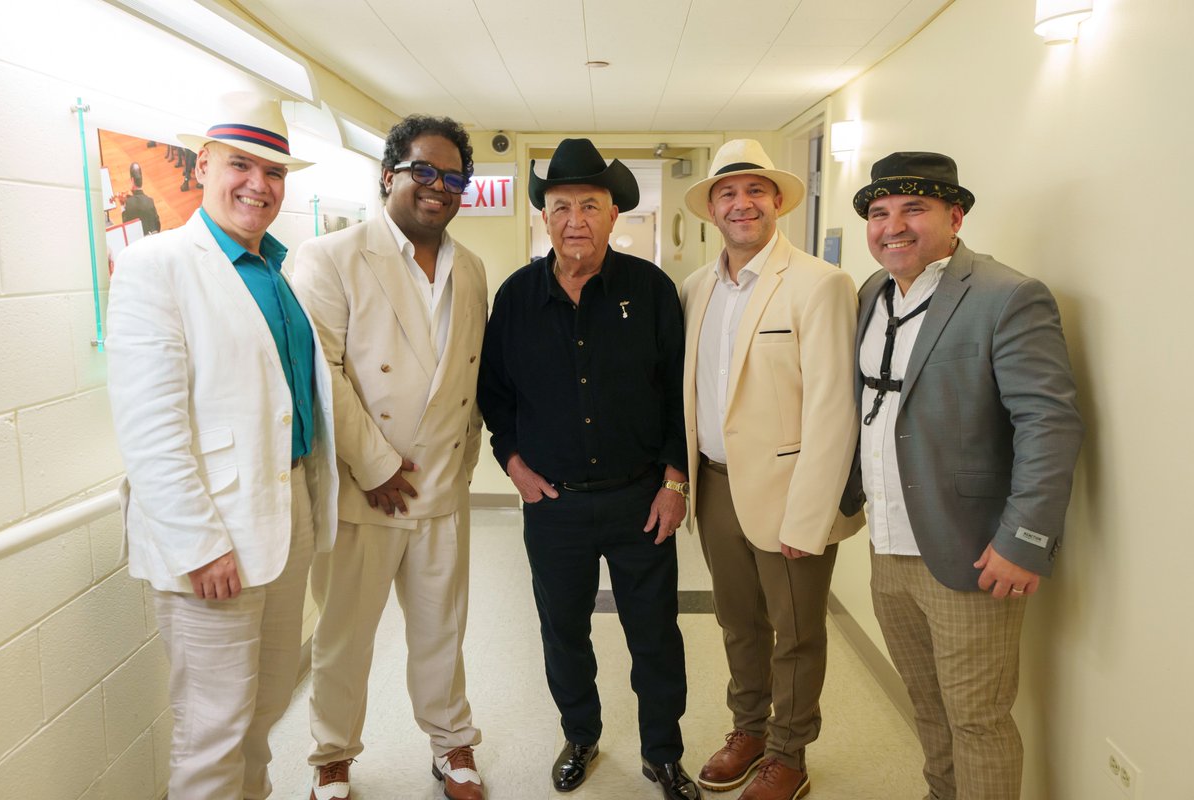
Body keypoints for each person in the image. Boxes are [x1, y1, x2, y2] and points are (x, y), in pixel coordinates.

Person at [106, 92, 338, 800]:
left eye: (274, 172)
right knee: (213, 730)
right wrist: (199, 542)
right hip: (214, 540)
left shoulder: (276, 270)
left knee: (262, 713)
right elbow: (150, 425)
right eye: (242, 164)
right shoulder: (159, 266)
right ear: (203, 165)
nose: (259, 185)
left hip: (284, 514)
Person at [852, 152, 1083, 799]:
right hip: (888, 546)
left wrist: (1023, 541)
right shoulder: (872, 294)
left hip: (971, 552)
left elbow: (1050, 424)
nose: (892, 226)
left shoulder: (1006, 295)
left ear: (954, 217)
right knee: (927, 710)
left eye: (913, 209)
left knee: (977, 721)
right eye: (879, 213)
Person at [477, 138, 699, 800]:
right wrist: (513, 464)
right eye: (562, 205)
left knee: (655, 636)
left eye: (591, 206)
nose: (576, 219)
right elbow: (495, 395)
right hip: (555, 507)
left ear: (613, 214)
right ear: (544, 216)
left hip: (641, 502)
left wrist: (675, 481)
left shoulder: (652, 291)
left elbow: (679, 395)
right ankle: (581, 734)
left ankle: (663, 752)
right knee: (563, 631)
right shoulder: (516, 297)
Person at [293, 115, 488, 800]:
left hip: (439, 485)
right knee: (345, 638)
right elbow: (325, 375)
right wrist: (374, 466)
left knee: (443, 628)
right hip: (362, 487)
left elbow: (467, 378)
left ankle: (452, 745)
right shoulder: (329, 257)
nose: (439, 187)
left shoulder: (472, 267)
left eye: (453, 177)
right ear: (389, 175)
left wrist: (463, 463)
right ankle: (332, 756)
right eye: (424, 172)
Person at [680, 140, 862, 800]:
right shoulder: (696, 287)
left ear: (778, 201)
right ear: (711, 210)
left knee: (795, 633)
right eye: (727, 193)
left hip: (791, 494)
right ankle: (748, 729)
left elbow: (834, 409)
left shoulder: (820, 283)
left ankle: (789, 752)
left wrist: (810, 515)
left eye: (755, 190)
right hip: (715, 487)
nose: (741, 203)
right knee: (738, 625)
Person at [122, 161, 160, 235]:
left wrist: (122, 207)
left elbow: (126, 227)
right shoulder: (150, 201)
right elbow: (157, 225)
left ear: (132, 180)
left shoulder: (128, 203)